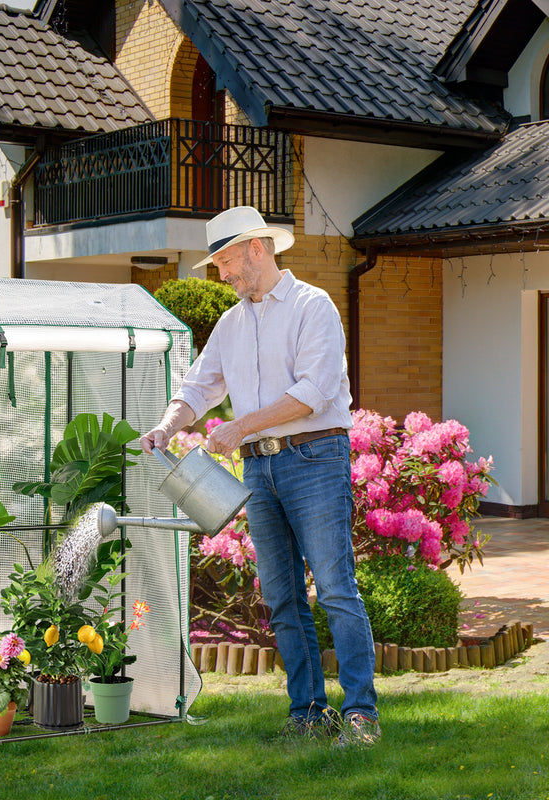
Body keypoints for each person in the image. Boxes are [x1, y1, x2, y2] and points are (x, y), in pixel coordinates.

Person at [140, 206, 379, 746]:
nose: (221, 275)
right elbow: (199, 388)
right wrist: (165, 427)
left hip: (314, 459)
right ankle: (308, 713)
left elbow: (314, 392)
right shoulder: (231, 323)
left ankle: (362, 714)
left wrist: (240, 426)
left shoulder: (311, 306)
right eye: (217, 265)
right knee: (281, 595)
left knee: (336, 588)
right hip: (258, 469)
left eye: (225, 261)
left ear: (257, 248)